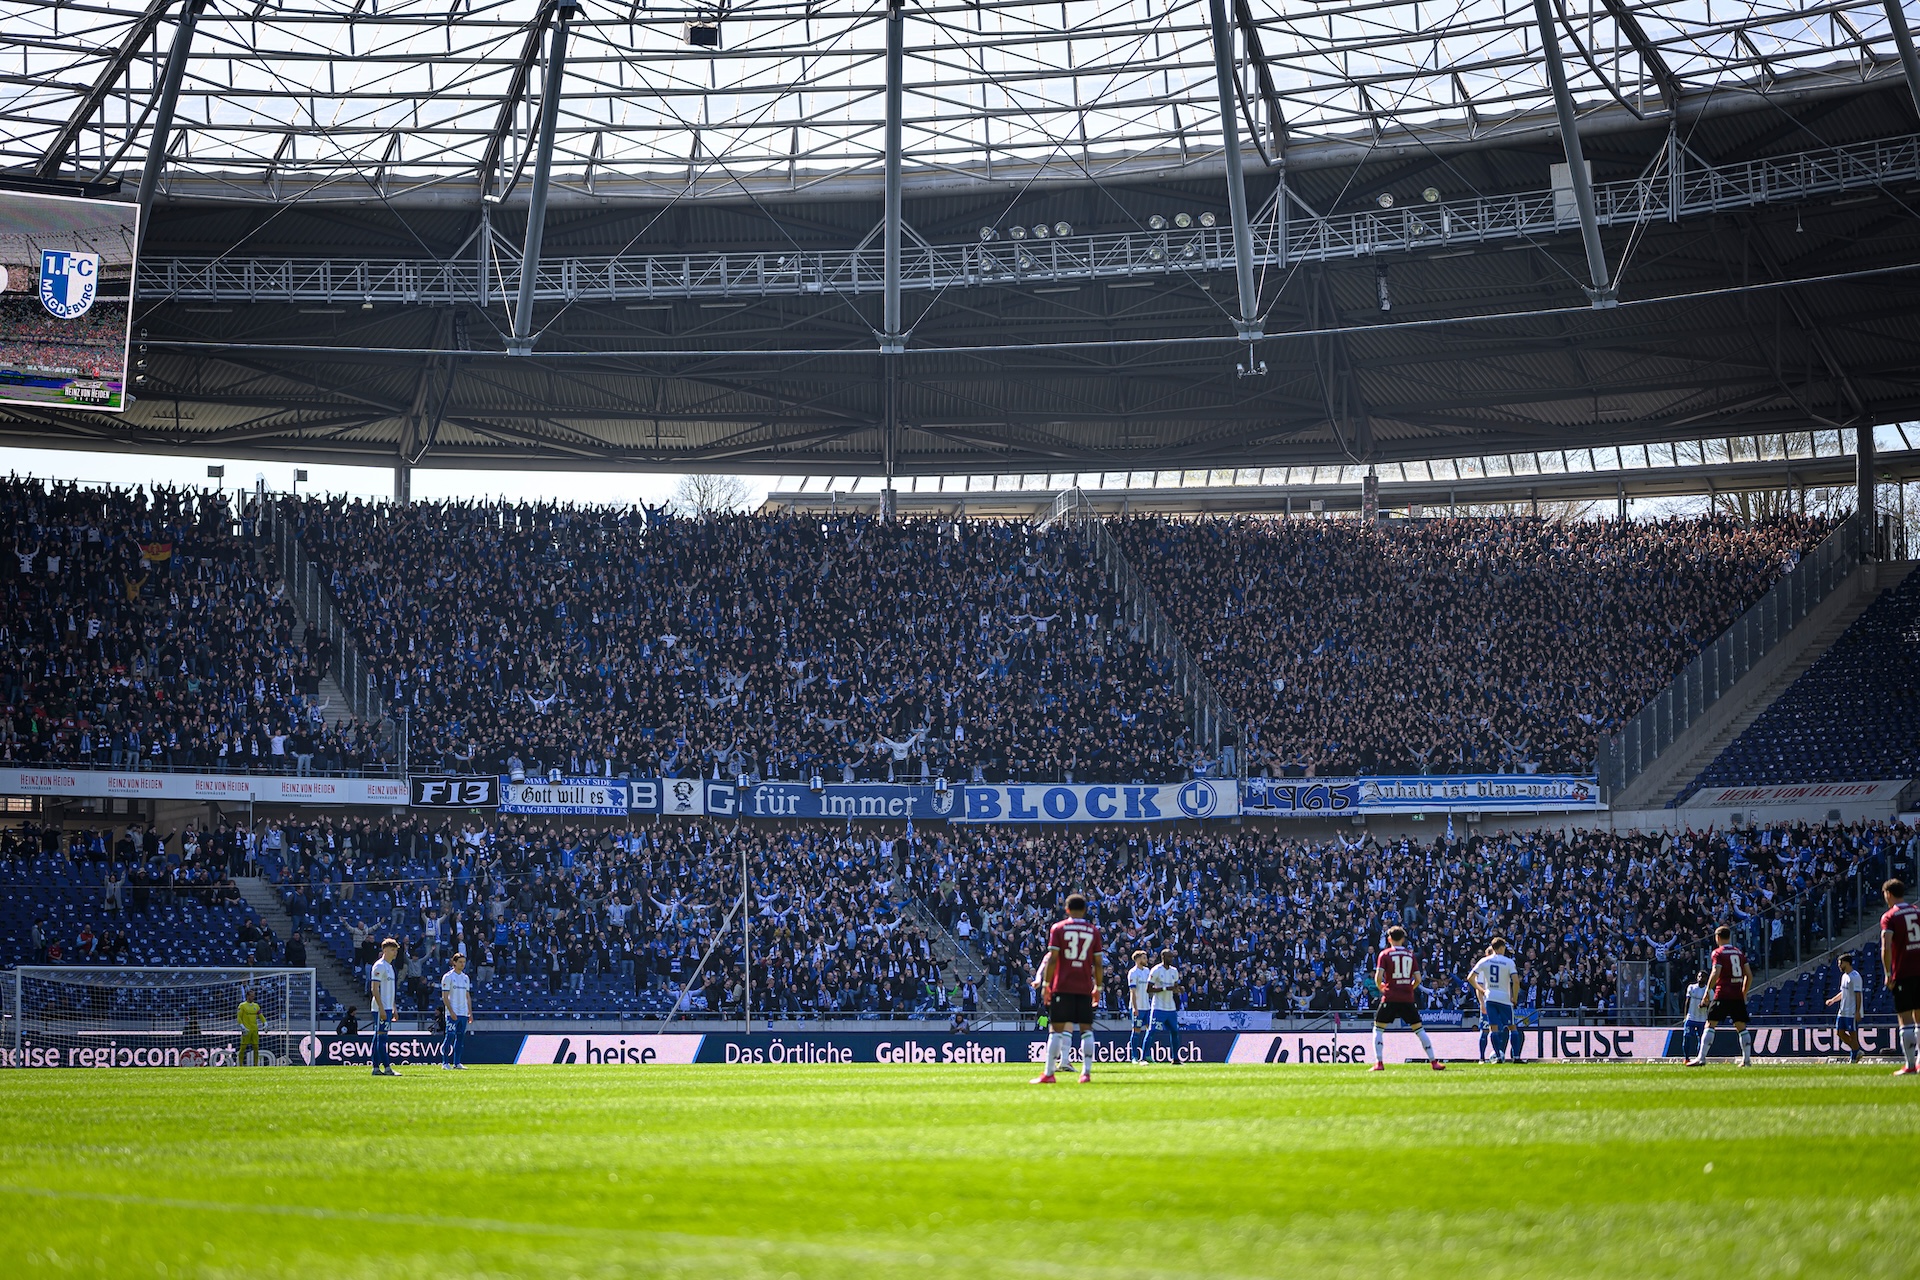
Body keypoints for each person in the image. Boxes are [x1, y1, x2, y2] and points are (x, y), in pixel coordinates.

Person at [1029, 892, 1104, 1084]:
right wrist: (1098, 987)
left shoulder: (1059, 929)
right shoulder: (1093, 931)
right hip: (1085, 986)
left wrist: (1046, 985)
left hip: (1062, 986)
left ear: (1067, 909)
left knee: (1056, 1030)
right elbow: (1098, 962)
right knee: (1087, 1030)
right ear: (1085, 910)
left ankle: (1048, 1073)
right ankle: (1086, 1073)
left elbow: (1052, 959)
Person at [1371, 925, 1444, 1072]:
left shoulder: (1384, 954)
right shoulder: (1410, 955)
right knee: (1419, 1029)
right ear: (1403, 939)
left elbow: (1378, 978)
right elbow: (1417, 978)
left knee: (1378, 1029)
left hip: (1390, 996)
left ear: (1389, 939)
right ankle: (1434, 1061)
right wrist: (1409, 988)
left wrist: (1382, 988)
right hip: (1407, 997)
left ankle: (1379, 1063)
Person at [1688, 925, 1752, 1067]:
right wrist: (1744, 992)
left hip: (1722, 993)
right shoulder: (1739, 953)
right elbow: (1749, 975)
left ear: (1717, 938)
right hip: (1736, 995)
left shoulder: (1718, 953)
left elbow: (1716, 972)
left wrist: (1707, 991)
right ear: (1729, 937)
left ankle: (1701, 1058)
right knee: (1741, 1026)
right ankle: (1746, 1060)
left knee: (1710, 1024)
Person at [1883, 879, 1920, 1075]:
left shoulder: (1890, 916)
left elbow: (1886, 946)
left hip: (1903, 972)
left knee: (1905, 1019)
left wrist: (1888, 973)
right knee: (1919, 1018)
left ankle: (1910, 1065)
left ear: (1888, 893)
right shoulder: (1917, 911)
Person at [1468, 937, 1520, 1064]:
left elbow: (1470, 978)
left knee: (1493, 1028)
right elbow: (1516, 982)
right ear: (1501, 948)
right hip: (1504, 997)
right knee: (1512, 1027)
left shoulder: (1484, 961)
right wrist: (1514, 998)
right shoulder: (1508, 962)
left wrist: (1483, 990)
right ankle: (1517, 1057)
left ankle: (1497, 1057)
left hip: (1490, 997)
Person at [1824, 953, 1863, 1065]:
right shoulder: (1844, 976)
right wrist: (1833, 1000)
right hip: (1842, 1011)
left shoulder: (1855, 976)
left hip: (1851, 1012)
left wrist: (1857, 1011)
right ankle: (1856, 1050)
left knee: (1852, 1034)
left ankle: (1854, 1057)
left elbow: (1858, 995)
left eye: (1840, 963)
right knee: (1839, 1033)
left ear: (1846, 963)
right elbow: (1843, 993)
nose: (1839, 966)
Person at [1145, 948, 1182, 1063]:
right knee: (1152, 1031)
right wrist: (1166, 988)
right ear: (1163, 957)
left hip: (1170, 1007)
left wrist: (1179, 990)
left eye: (1172, 957)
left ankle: (1175, 1058)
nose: (1171, 959)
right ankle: (1145, 1056)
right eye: (1169, 957)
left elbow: (1175, 988)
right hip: (1158, 1007)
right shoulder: (1156, 970)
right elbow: (1148, 989)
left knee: (1175, 1031)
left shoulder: (1174, 971)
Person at [370, 937, 400, 1077]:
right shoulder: (379, 966)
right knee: (381, 1038)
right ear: (384, 950)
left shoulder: (390, 967)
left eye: (395, 950)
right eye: (392, 950)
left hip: (387, 1007)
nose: (395, 953)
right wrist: (381, 1008)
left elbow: (389, 990)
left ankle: (376, 1068)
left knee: (378, 1037)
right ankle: (387, 1068)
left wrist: (393, 1007)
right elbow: (375, 989)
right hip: (379, 1008)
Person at [440, 952, 473, 1070]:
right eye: (460, 962)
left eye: (464, 962)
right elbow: (445, 996)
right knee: (449, 1037)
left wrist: (470, 1012)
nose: (462, 964)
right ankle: (445, 1063)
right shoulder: (448, 977)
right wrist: (451, 1012)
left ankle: (457, 1063)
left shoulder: (465, 978)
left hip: (463, 1013)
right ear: (454, 962)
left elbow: (467, 996)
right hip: (452, 1013)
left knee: (460, 1039)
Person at [1125, 949, 1153, 1062]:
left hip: (1147, 1007)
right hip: (1138, 1007)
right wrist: (1135, 1008)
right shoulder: (1133, 972)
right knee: (1136, 1030)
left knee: (1150, 1030)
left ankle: (1146, 1055)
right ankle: (1134, 1056)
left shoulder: (1147, 971)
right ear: (1138, 959)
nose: (1146, 960)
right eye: (1144, 958)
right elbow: (1132, 991)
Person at [1679, 970, 1712, 1062]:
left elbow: (1711, 1005)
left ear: (1706, 979)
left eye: (1703, 977)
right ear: (1697, 977)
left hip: (1703, 1019)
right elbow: (1687, 1002)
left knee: (1702, 1040)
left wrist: (1705, 1005)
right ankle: (1686, 1058)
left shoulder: (1709, 991)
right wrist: (1685, 1016)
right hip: (1691, 1018)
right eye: (1699, 976)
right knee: (1687, 1037)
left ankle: (1699, 1058)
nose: (1701, 978)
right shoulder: (1691, 987)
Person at [236, 988, 263, 1067]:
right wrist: (242, 1026)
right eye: (251, 996)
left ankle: (256, 1065)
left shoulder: (256, 1006)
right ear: (247, 996)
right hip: (246, 1030)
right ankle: (240, 1065)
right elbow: (239, 1017)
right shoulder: (242, 1005)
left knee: (256, 1048)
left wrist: (265, 1023)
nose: (253, 997)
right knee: (243, 1048)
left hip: (255, 1030)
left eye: (253, 996)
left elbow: (260, 1015)